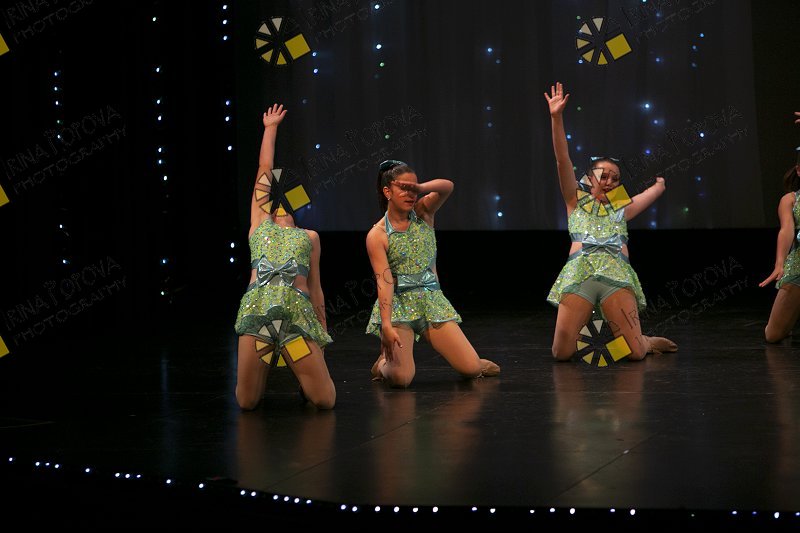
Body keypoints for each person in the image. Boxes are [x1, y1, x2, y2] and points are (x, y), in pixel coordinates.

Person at [544, 82, 677, 362]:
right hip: (580, 275)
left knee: (635, 354)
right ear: (589, 179)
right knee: (562, 353)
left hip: (616, 277)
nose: (608, 181)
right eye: (603, 176)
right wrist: (556, 118)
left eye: (615, 178)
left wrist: (659, 186)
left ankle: (644, 341)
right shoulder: (574, 200)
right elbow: (562, 160)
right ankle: (600, 342)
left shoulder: (620, 208)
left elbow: (646, 195)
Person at [234, 103, 335, 409]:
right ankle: (267, 363)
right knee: (247, 402)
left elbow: (316, 287)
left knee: (324, 400)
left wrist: (321, 330)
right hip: (258, 315)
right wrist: (270, 128)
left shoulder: (309, 236)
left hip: (297, 320)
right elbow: (264, 170)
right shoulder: (259, 224)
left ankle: (298, 366)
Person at [366, 160, 500, 387]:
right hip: (400, 306)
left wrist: (421, 188)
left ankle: (473, 363)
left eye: (413, 188)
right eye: (404, 188)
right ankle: (382, 364)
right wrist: (386, 325)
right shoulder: (377, 235)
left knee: (471, 369)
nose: (410, 194)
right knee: (401, 379)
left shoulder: (423, 212)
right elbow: (384, 281)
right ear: (387, 192)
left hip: (431, 302)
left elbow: (447, 186)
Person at [759, 143, 800, 343]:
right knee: (773, 335)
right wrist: (780, 264)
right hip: (799, 264)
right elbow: (786, 230)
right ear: (798, 170)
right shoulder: (791, 200)